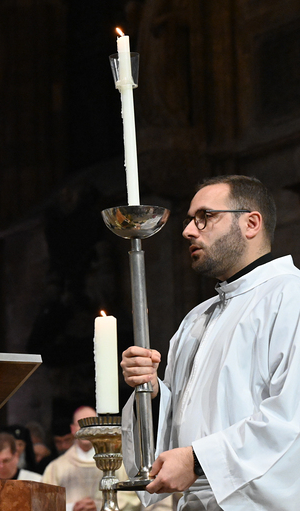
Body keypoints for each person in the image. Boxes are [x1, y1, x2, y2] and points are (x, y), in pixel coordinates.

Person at [120, 175, 300, 510]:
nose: (189, 230)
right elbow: (178, 424)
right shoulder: (196, 319)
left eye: (205, 216)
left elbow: (291, 418)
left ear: (251, 223)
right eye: (190, 219)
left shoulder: (291, 297)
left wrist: (198, 461)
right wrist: (153, 393)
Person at [42, 406, 141, 511]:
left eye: (92, 424)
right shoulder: (56, 467)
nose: (88, 429)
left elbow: (134, 497)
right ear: (73, 429)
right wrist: (72, 507)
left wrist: (100, 505)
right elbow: (44, 502)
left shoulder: (119, 463)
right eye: (82, 424)